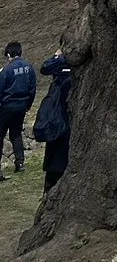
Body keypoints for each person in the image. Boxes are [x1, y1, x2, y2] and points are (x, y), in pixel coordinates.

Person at [0, 40, 37, 176]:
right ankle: (20, 163)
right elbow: (33, 88)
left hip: (6, 107)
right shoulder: (29, 68)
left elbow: (1, 89)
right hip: (21, 106)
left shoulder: (6, 70)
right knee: (16, 134)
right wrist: (28, 104)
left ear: (9, 54)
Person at [38, 44, 71, 193]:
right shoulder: (62, 65)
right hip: (59, 116)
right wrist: (59, 58)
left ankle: (51, 188)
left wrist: (58, 57)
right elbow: (45, 68)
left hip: (64, 116)